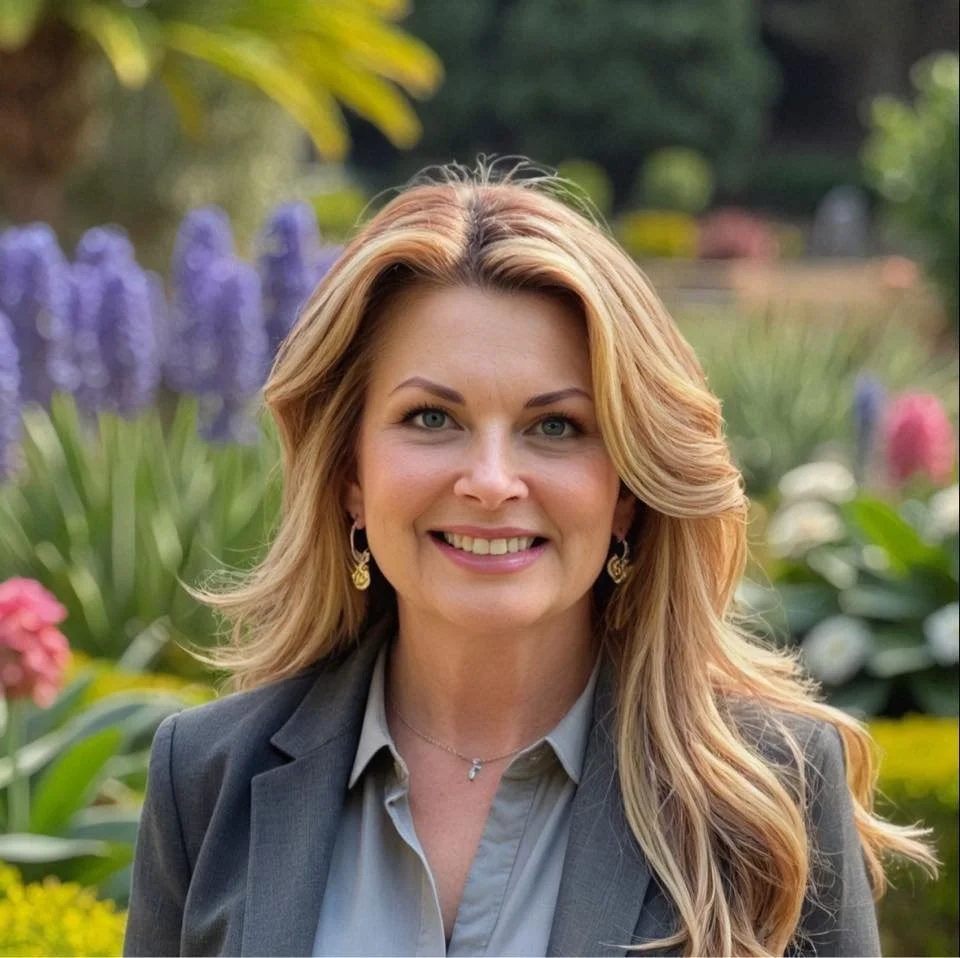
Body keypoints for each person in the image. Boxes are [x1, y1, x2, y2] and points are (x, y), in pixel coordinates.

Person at [124, 161, 935, 958]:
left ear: (625, 489)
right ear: (349, 475)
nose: (489, 482)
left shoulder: (770, 796)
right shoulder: (206, 781)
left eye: (555, 428)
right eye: (431, 418)